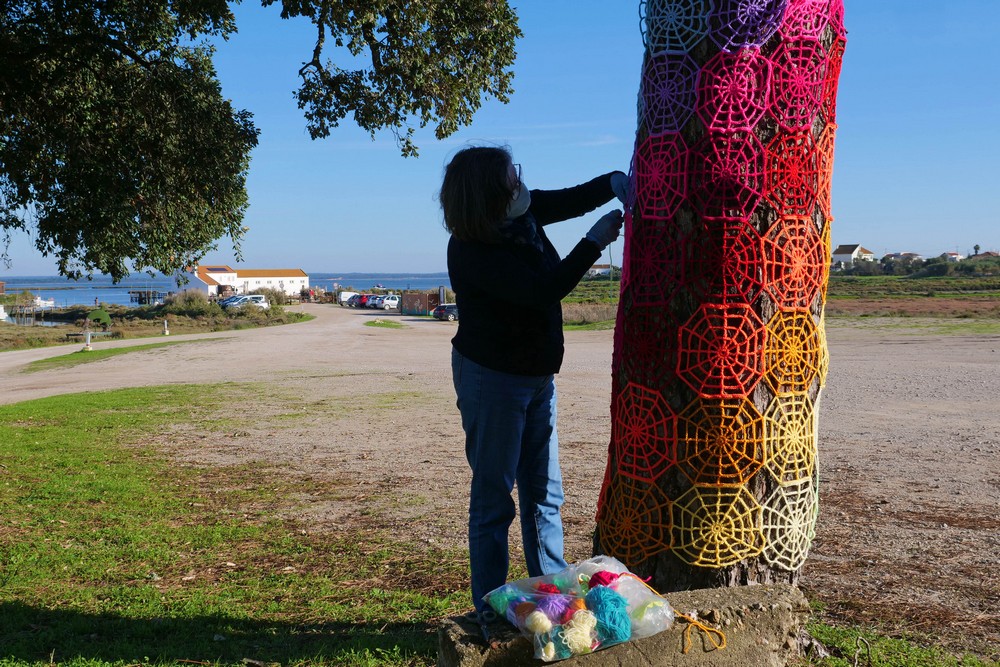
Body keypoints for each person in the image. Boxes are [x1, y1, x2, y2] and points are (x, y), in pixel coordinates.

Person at [440, 145, 627, 631]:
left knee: (545, 494)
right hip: (492, 379)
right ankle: (494, 614)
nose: (521, 183)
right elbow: (542, 290)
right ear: (488, 193)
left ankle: (554, 603)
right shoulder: (472, 249)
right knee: (494, 499)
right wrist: (593, 241)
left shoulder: (518, 213)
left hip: (536, 377)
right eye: (511, 178)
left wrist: (612, 182)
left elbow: (564, 199)